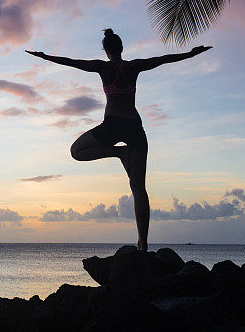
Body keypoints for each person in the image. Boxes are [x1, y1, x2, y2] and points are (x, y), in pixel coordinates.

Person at [26, 29, 212, 252]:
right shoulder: (134, 66)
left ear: (106, 50)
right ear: (122, 48)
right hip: (134, 126)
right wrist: (191, 54)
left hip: (112, 125)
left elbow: (72, 62)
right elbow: (163, 59)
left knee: (76, 152)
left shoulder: (102, 67)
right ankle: (143, 244)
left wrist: (45, 56)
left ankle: (117, 153)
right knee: (138, 188)